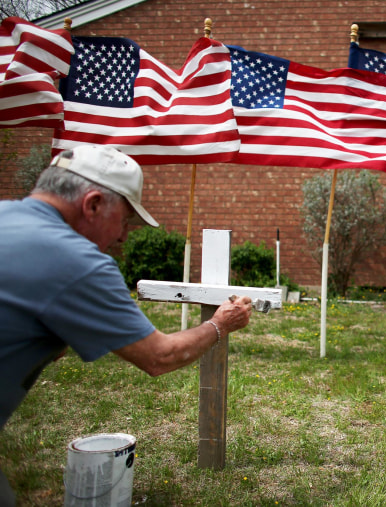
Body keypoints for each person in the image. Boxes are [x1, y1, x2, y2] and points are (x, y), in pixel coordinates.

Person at [0, 145, 254, 506]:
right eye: (124, 221)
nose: (123, 237)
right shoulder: (78, 262)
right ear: (93, 204)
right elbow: (160, 357)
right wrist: (219, 324)